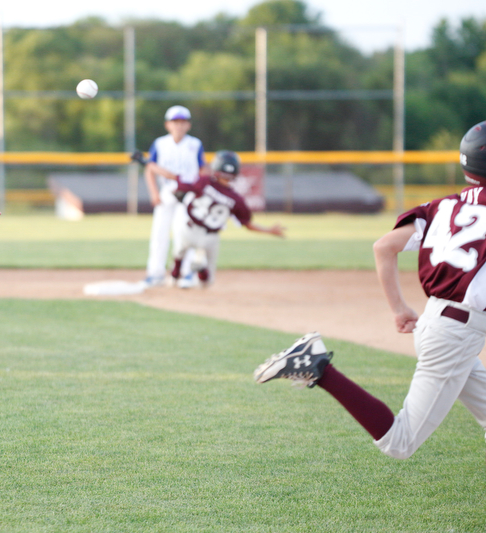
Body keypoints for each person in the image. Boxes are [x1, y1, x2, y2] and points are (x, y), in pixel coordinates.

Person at [254, 120, 486, 461]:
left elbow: (383, 247)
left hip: (436, 323)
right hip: (455, 334)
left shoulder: (441, 207)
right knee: (399, 442)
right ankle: (319, 366)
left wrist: (399, 308)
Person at [144, 150, 285, 288]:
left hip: (189, 229)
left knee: (179, 252)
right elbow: (247, 224)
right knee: (207, 282)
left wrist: (150, 165)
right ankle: (201, 269)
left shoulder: (204, 182)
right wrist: (269, 231)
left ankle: (175, 275)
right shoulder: (237, 199)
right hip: (210, 238)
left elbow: (175, 178)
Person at [142, 105, 211, 287]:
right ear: (168, 125)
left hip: (188, 195)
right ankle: (155, 273)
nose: (179, 126)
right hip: (168, 192)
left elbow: (203, 169)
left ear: (188, 125)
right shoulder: (160, 143)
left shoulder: (194, 144)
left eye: (182, 122)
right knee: (159, 233)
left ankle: (186, 273)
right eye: (175, 122)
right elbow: (150, 168)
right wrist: (154, 193)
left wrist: (201, 189)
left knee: (184, 234)